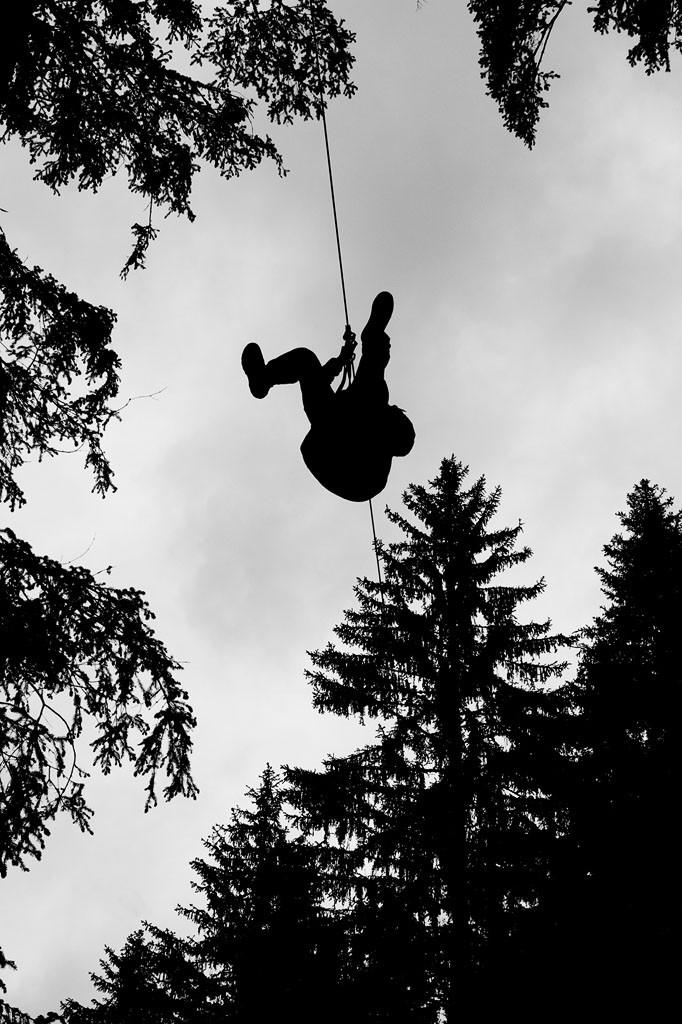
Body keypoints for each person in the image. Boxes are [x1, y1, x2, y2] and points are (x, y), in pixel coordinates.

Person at [241, 291, 415, 501]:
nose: (390, 409)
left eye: (391, 414)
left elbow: (351, 486)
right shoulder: (374, 398)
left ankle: (373, 337)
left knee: (314, 365)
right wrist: (344, 359)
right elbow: (363, 367)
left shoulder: (373, 474)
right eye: (393, 411)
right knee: (307, 360)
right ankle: (262, 380)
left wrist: (317, 445)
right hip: (331, 421)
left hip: (330, 442)